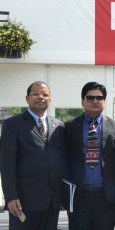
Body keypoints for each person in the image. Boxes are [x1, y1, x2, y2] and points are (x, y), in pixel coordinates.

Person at [0, 81, 66, 229]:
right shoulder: (13, 124)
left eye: (45, 94)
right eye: (35, 94)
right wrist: (11, 197)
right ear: (27, 98)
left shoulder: (59, 126)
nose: (40, 97)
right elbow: (7, 164)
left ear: (50, 99)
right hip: (24, 202)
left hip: (52, 202)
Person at [64, 82, 115, 230]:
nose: (95, 101)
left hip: (106, 197)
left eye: (99, 98)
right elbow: (63, 160)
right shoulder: (68, 127)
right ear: (82, 101)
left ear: (104, 101)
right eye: (90, 97)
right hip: (79, 196)